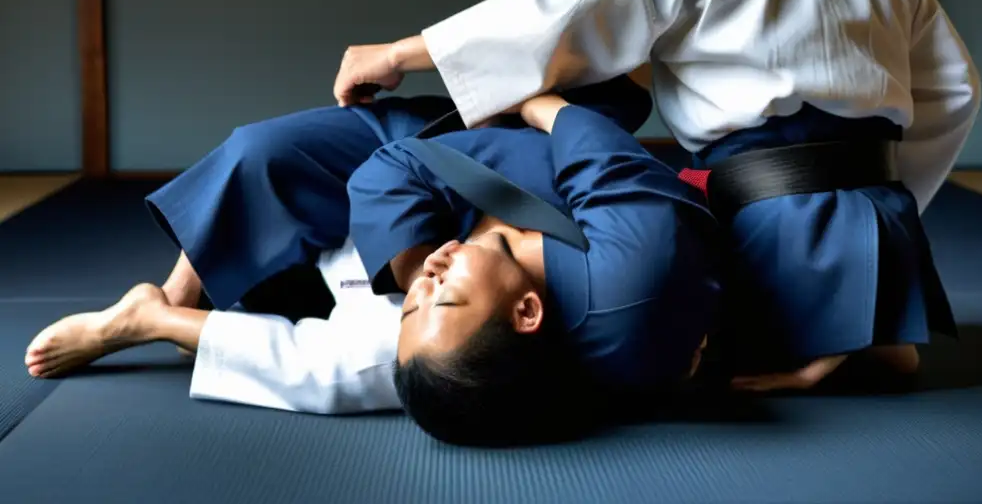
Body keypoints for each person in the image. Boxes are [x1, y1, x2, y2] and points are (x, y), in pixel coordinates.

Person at [331, 0, 981, 391]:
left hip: (766, 229)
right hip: (882, 224)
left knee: (638, 334)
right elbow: (954, 93)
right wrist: (889, 200)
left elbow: (546, 16)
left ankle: (813, 329)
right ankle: (871, 323)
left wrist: (396, 54)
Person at [25, 76, 720, 446]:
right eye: (433, 293)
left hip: (421, 192)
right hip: (466, 140)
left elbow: (411, 327)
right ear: (528, 309)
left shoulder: (470, 350)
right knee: (257, 152)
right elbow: (588, 139)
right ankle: (182, 295)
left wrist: (419, 289)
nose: (431, 281)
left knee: (360, 367)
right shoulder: (634, 273)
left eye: (420, 294)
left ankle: (155, 318)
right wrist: (521, 94)